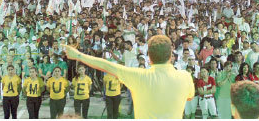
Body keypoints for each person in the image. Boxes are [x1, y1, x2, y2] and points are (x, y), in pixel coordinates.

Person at [63, 35, 194, 119]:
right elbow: (189, 97)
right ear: (171, 55)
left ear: (149, 57)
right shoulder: (185, 77)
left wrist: (78, 55)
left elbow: (107, 66)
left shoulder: (139, 76)